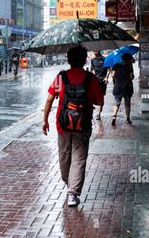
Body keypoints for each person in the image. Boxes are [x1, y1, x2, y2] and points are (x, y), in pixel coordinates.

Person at [42, 46, 104, 207]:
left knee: (64, 155)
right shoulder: (90, 78)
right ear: (85, 60)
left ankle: (68, 182)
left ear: (68, 60)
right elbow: (99, 102)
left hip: (62, 125)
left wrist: (45, 120)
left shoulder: (61, 77)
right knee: (79, 158)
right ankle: (73, 193)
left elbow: (49, 99)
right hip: (83, 126)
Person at [111, 53, 135, 126]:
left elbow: (113, 75)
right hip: (127, 87)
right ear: (128, 59)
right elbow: (131, 77)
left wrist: (117, 78)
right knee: (127, 104)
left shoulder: (116, 65)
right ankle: (127, 119)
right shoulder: (129, 66)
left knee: (117, 102)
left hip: (118, 86)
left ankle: (114, 116)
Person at [90, 50, 109, 120]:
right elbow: (92, 69)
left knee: (101, 97)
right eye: (94, 49)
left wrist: (106, 77)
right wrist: (93, 74)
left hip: (102, 81)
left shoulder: (104, 59)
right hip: (95, 81)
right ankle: (91, 109)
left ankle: (98, 113)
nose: (95, 50)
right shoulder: (92, 60)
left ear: (99, 50)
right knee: (92, 96)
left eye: (96, 49)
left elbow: (108, 69)